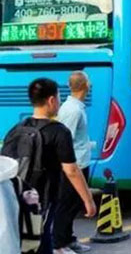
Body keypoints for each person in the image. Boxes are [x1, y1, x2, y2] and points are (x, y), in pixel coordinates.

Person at [1, 78, 96, 254]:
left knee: (21, 241)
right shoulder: (59, 132)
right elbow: (71, 170)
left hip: (16, 194)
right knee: (41, 239)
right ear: (52, 100)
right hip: (43, 198)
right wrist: (88, 200)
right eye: (59, 98)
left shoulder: (16, 129)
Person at [54, 71, 93, 254]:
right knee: (66, 205)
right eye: (88, 82)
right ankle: (58, 244)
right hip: (73, 166)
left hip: (80, 162)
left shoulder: (77, 107)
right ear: (85, 85)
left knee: (73, 205)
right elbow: (64, 139)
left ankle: (68, 239)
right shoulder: (73, 110)